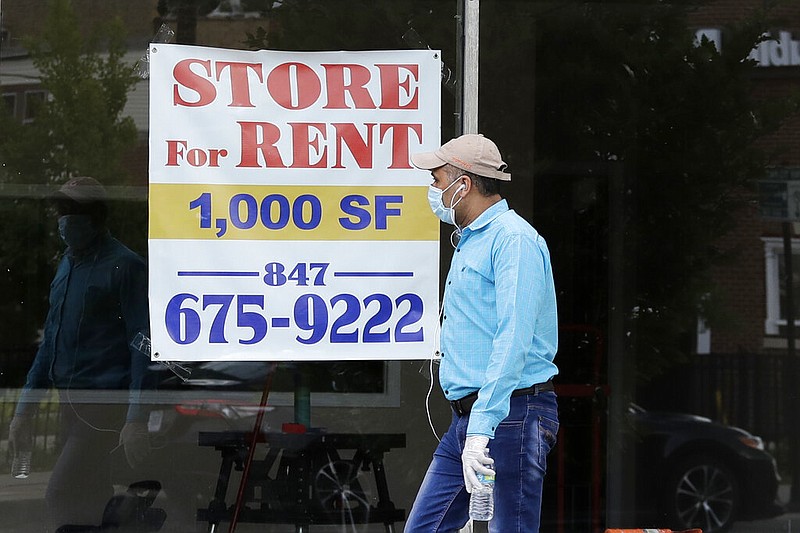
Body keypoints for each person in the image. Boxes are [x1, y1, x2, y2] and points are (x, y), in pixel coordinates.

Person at [405, 134, 559, 532]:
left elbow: (513, 339)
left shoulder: (513, 239)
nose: (434, 190)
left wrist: (482, 427)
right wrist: (473, 428)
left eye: (438, 180)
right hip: (473, 419)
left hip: (511, 414)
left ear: (464, 184)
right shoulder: (473, 238)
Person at [7, 176, 155, 529]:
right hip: (70, 407)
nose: (63, 219)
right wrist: (24, 411)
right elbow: (51, 344)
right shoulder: (67, 266)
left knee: (60, 494)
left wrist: (136, 418)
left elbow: (143, 342)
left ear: (96, 216)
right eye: (60, 210)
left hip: (103, 407)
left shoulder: (124, 265)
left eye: (71, 211)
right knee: (91, 499)